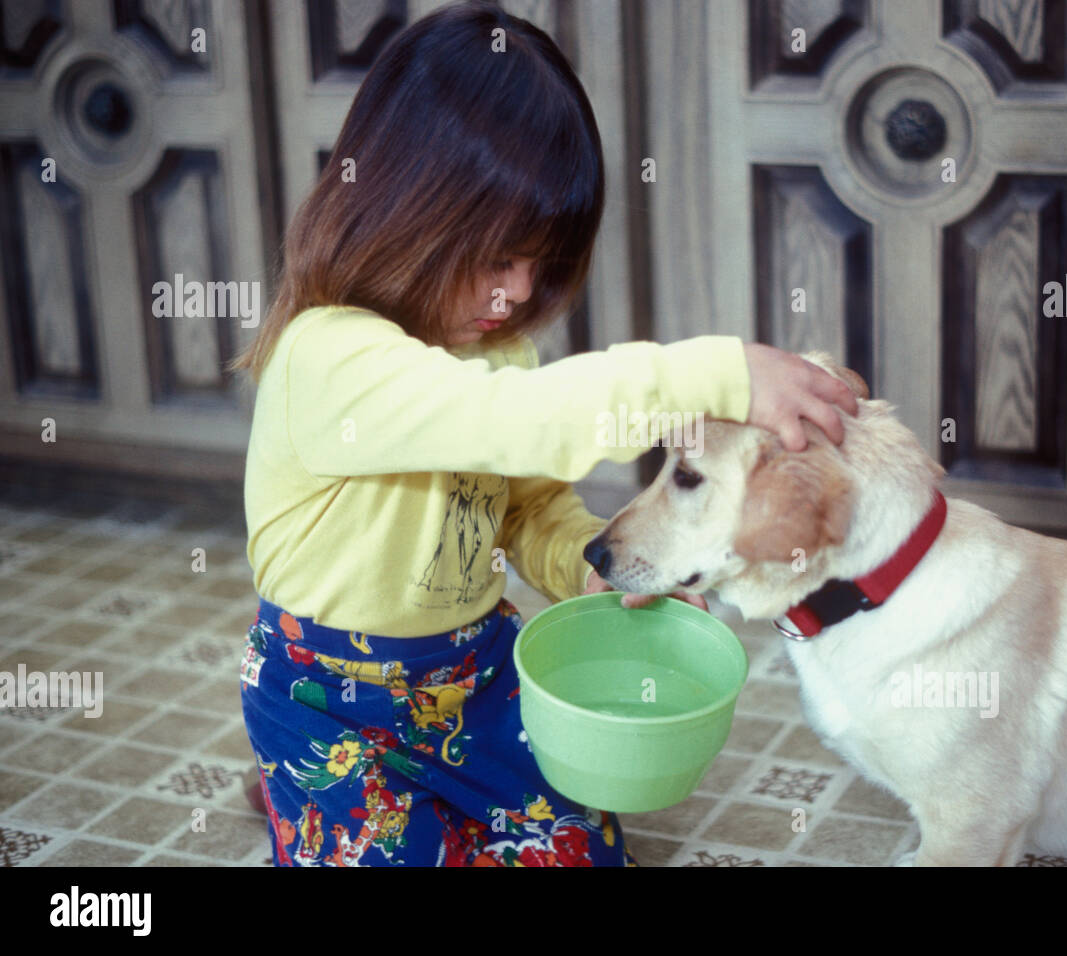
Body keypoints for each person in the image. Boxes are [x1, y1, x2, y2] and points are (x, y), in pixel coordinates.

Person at [230, 0, 858, 867]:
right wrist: (713, 376)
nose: (522, 290)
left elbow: (522, 510)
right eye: (499, 254)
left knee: (582, 853)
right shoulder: (326, 356)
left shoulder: (504, 353)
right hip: (327, 701)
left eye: (541, 258)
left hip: (472, 675)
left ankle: (334, 812)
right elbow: (513, 423)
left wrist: (600, 574)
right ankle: (306, 798)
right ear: (404, 208)